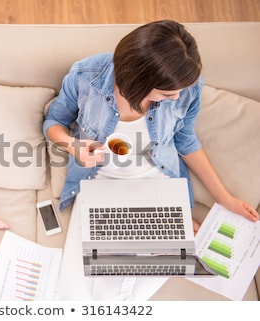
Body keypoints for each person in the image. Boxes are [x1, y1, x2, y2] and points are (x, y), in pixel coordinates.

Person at [43, 20, 259, 299]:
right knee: (78, 291)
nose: (178, 97)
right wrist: (73, 146)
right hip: (99, 184)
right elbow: (54, 122)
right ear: (139, 81)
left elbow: (186, 141)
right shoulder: (87, 75)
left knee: (131, 287)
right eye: (168, 94)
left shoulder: (188, 88)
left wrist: (224, 198)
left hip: (158, 181)